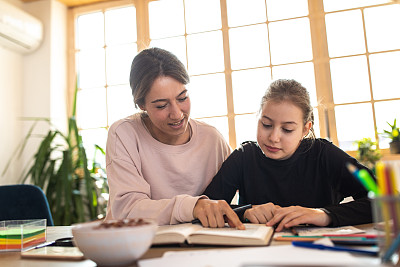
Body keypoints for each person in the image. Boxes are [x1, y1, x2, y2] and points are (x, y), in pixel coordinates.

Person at [203, 79, 373, 231]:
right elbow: (207, 207)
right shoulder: (244, 156)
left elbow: (385, 199)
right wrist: (245, 211)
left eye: (287, 129)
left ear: (305, 129)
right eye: (266, 124)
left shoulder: (323, 154)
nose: (273, 138)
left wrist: (323, 214)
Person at [105, 47, 244, 229]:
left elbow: (226, 205)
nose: (177, 114)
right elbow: (128, 210)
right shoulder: (124, 134)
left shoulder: (211, 139)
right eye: (162, 106)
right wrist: (192, 207)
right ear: (141, 105)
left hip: (201, 245)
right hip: (135, 244)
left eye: (182, 98)